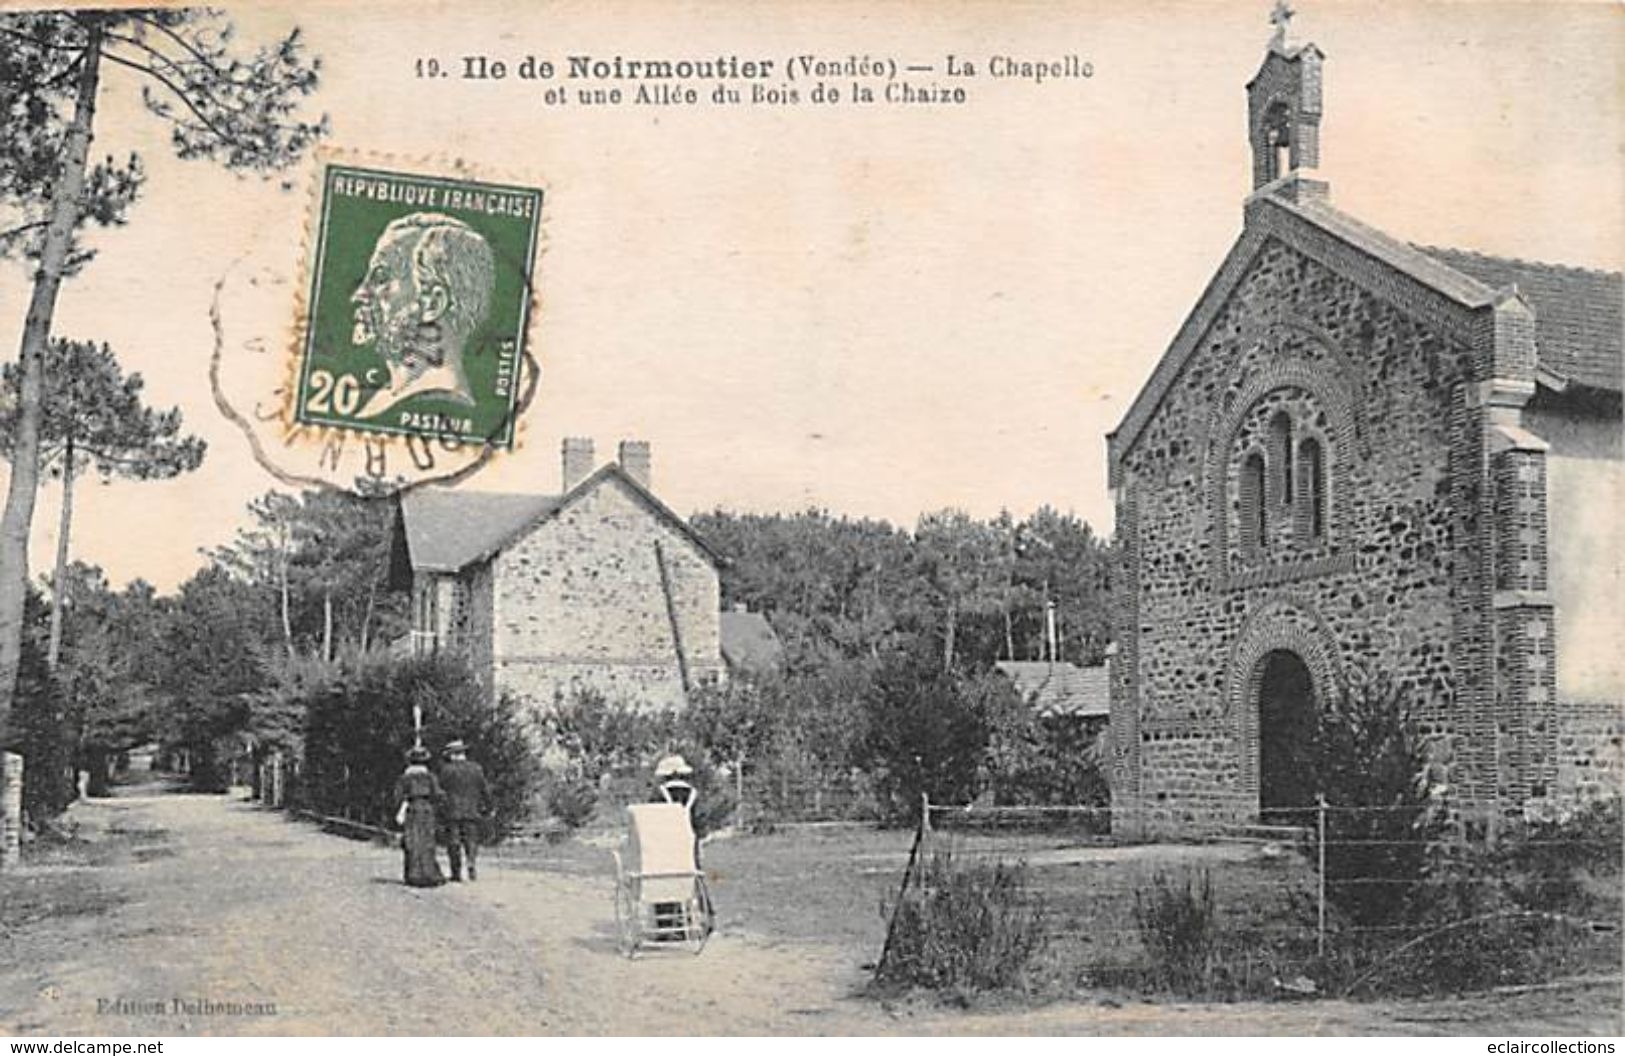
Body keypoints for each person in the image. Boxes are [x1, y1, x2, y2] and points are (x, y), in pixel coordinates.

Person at [349, 212, 497, 419]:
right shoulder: (389, 399)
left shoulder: (436, 407)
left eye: (381, 276)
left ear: (433, 303)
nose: (359, 295)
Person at [438, 739, 491, 882]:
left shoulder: (446, 770)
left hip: (452, 810)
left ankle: (456, 872)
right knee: (471, 840)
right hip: (472, 810)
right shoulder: (476, 769)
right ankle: (471, 863)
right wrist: (488, 806)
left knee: (453, 841)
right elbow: (484, 789)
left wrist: (440, 808)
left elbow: (440, 791)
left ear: (452, 755)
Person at [393, 746, 445, 887]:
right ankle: (429, 873)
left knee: (412, 840)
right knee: (427, 840)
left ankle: (413, 874)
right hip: (427, 809)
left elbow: (397, 797)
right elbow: (438, 794)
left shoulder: (405, 777)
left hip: (412, 809)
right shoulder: (430, 777)